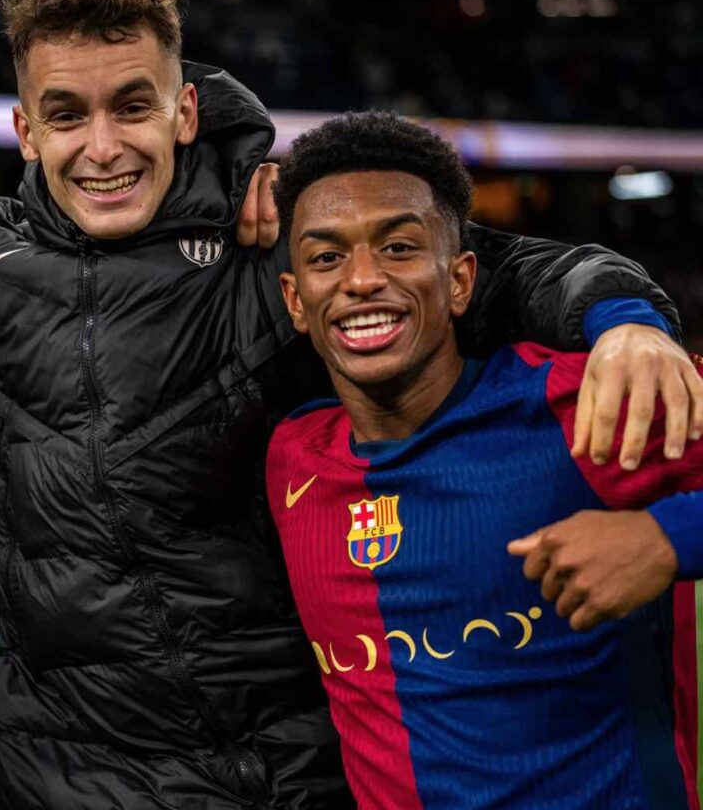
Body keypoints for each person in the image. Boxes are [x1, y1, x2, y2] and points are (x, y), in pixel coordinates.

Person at [0, 0, 702, 809]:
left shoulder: (280, 240)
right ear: (25, 131)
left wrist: (625, 319)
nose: (103, 146)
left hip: (276, 767)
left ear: (184, 109)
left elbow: (492, 269)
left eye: (133, 106)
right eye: (66, 115)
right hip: (60, 770)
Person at [266, 110, 702, 809]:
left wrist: (666, 538)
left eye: (399, 248)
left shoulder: (576, 402)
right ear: (295, 300)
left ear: (461, 280)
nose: (362, 279)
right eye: (326, 258)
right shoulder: (292, 457)